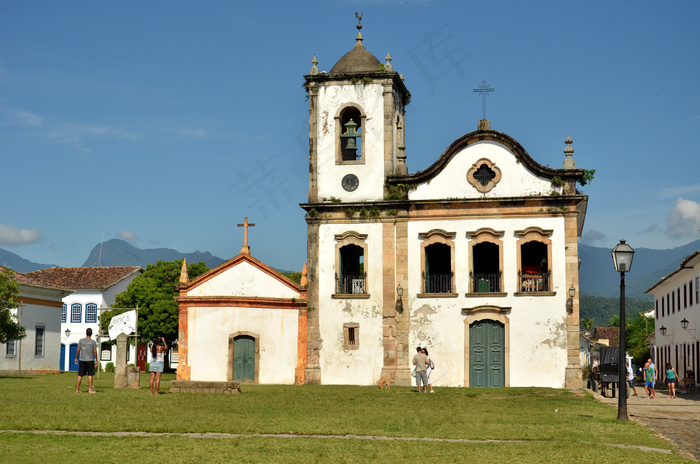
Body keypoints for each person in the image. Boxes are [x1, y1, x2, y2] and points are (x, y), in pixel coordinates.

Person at [75, 328, 98, 393]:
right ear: (91, 334)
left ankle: (77, 390)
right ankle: (90, 389)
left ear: (86, 333)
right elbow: (95, 351)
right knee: (90, 374)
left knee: (80, 375)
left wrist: (76, 358)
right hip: (90, 360)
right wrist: (96, 360)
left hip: (82, 359)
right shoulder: (93, 342)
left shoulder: (81, 341)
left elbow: (78, 349)